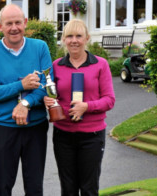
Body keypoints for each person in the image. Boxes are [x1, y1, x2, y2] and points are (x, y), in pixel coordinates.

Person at [0, 4, 52, 196]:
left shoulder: (40, 47)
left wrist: (25, 104)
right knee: (2, 187)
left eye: (18, 22)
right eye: (9, 23)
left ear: (25, 23)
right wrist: (21, 85)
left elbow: (46, 86)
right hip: (3, 128)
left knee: (35, 187)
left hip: (35, 127)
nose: (14, 28)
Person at [44, 19, 115, 196]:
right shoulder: (56, 66)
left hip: (92, 135)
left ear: (87, 38)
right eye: (69, 36)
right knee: (68, 188)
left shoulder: (100, 64)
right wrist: (49, 102)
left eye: (78, 36)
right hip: (63, 135)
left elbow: (109, 100)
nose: (74, 40)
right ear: (63, 39)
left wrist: (87, 106)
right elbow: (53, 96)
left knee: (89, 188)